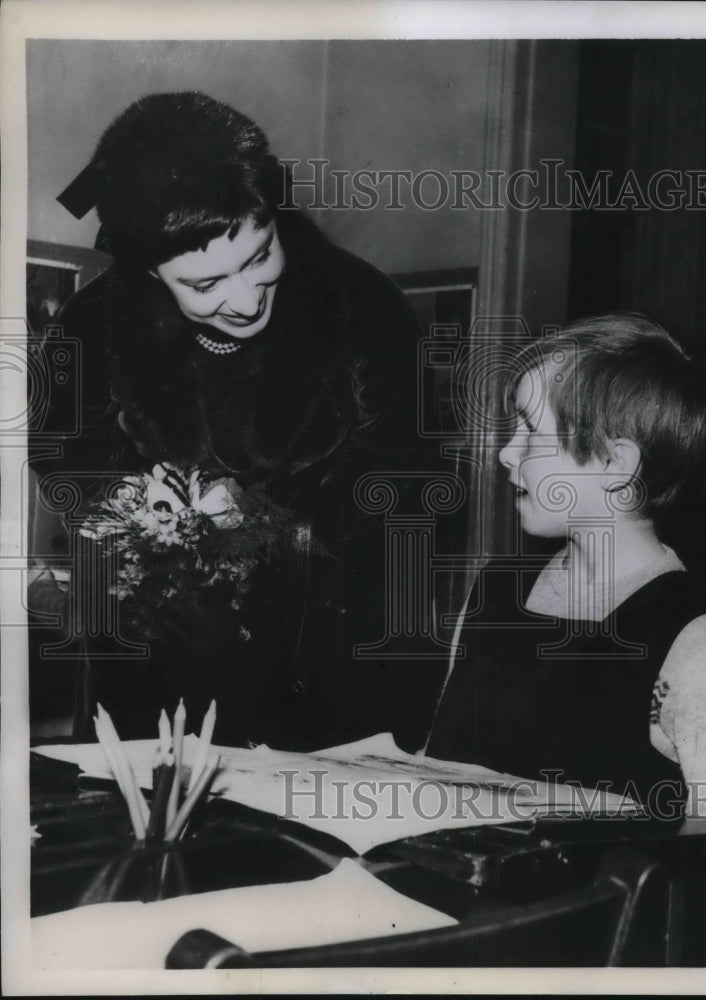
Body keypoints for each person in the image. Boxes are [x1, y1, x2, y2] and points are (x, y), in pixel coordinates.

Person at [31, 91, 442, 750]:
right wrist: (144, 529)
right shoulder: (94, 324)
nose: (245, 300)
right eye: (205, 285)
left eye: (258, 258)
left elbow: (408, 488)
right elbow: (64, 459)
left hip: (327, 656)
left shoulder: (364, 309)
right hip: (155, 657)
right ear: (148, 271)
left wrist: (259, 533)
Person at [425, 314, 706, 961]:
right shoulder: (494, 591)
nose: (504, 453)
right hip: (449, 932)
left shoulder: (696, 641)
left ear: (615, 461)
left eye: (530, 432)